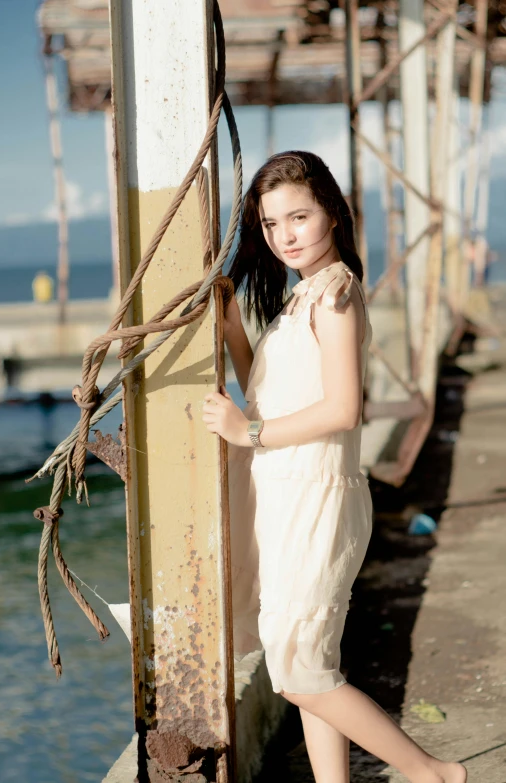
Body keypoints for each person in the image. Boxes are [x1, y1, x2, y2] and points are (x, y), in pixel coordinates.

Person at [202, 151, 466, 783]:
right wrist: (236, 331)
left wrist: (248, 432)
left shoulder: (336, 293)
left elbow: (345, 409)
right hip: (290, 495)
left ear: (332, 215)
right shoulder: (301, 299)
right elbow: (275, 396)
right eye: (270, 225)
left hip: (316, 501)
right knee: (308, 668)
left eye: (299, 216)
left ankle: (434, 774)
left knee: (300, 673)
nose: (285, 235)